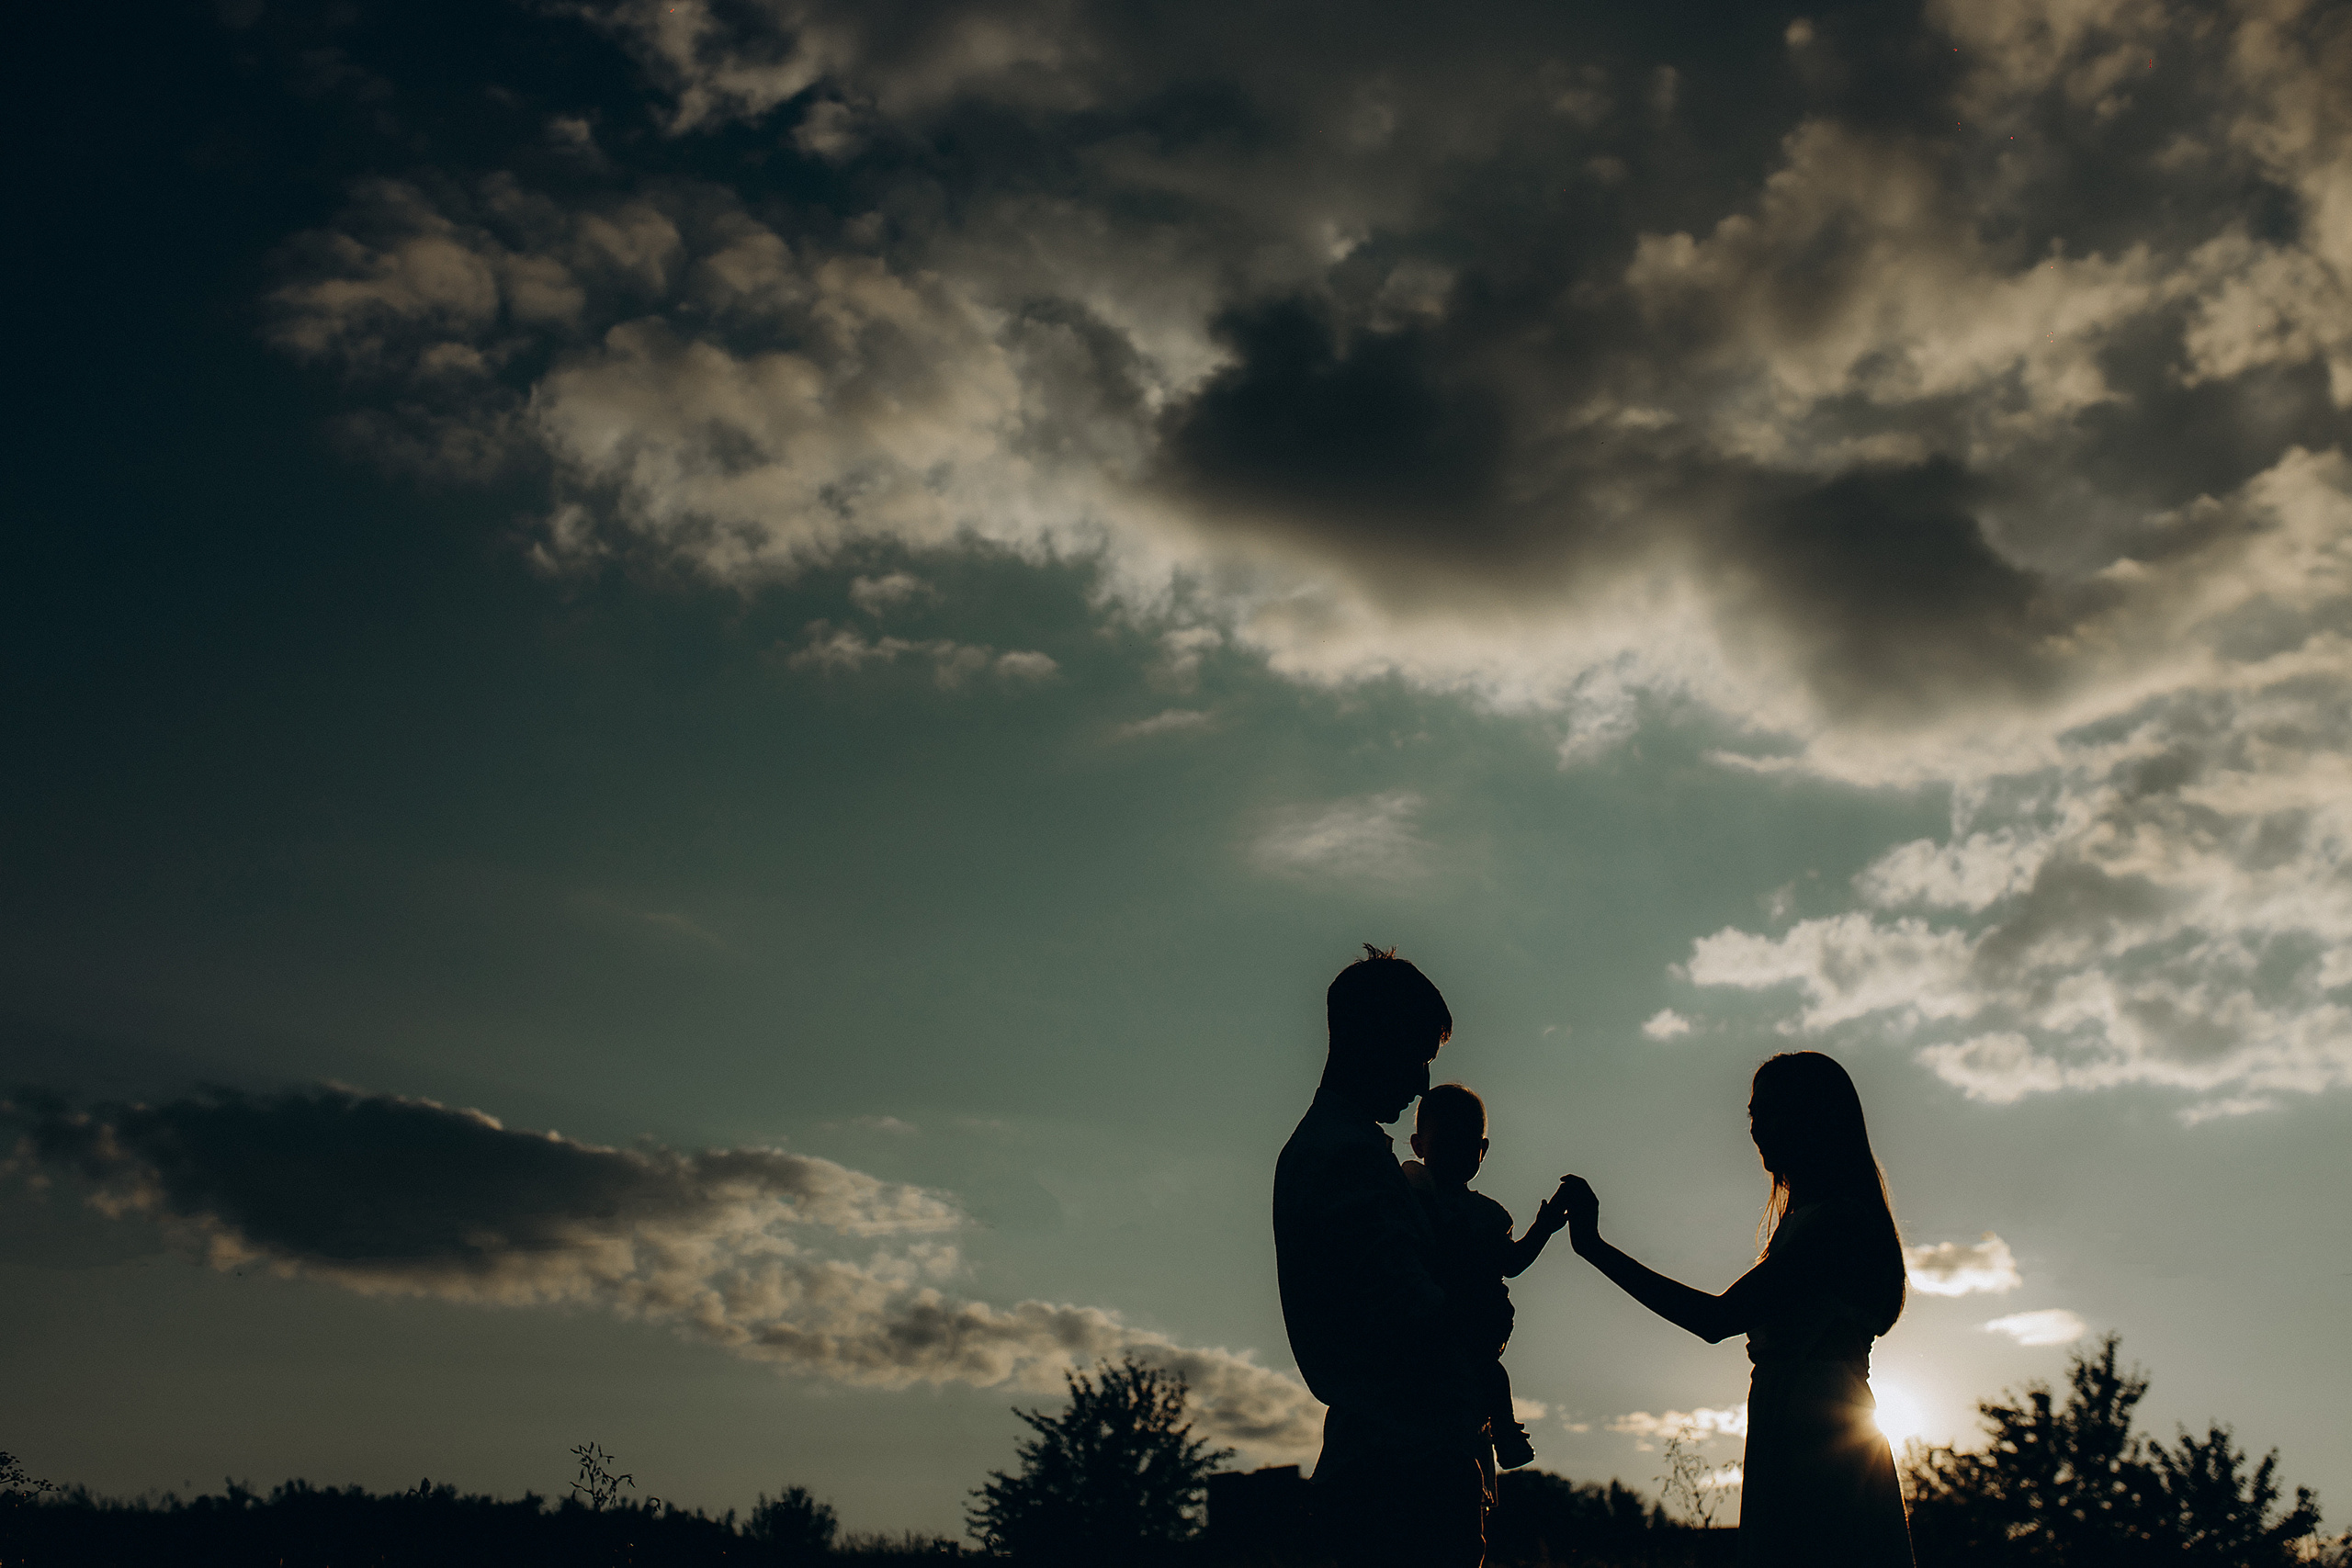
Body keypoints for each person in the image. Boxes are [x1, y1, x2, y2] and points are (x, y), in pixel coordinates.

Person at [1556, 1051, 1915, 1568]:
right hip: (1790, 1420)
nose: (1757, 1128)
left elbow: (1717, 1319)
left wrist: (1594, 1248)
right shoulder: (1812, 1221)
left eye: (1771, 1111)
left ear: (1813, 1118)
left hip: (1816, 1433)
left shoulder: (1838, 1224)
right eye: (1753, 1113)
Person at [1273, 945, 1489, 1568]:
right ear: (1376, 1040)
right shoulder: (1347, 1158)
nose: (1424, 1081)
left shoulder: (1339, 1149)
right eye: (1419, 1056)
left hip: (1389, 1465)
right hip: (1401, 1478)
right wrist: (1474, 1309)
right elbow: (1403, 1313)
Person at [1400, 1082, 1574, 1472]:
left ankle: (1506, 1434)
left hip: (1480, 1325)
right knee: (1482, 1380)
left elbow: (1511, 1262)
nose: (1457, 1153)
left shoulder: (1488, 1215)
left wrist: (1543, 1227)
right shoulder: (1410, 1200)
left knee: (1492, 1378)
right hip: (1436, 1325)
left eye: (1467, 1144)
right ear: (1419, 1146)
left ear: (1482, 1151)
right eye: (1446, 1141)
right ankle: (1505, 1433)